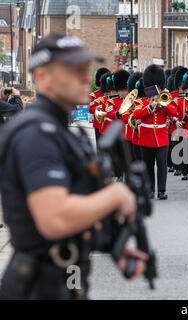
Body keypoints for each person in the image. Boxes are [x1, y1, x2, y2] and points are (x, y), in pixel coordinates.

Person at [0, 34, 147, 299]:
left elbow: (77, 201)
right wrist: (114, 194)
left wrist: (114, 244)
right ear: (43, 77)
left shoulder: (62, 132)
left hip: (68, 274)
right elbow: (55, 219)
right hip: (39, 285)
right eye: (72, 70)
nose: (84, 78)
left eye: (84, 69)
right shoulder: (36, 133)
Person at [133, 65, 178, 200]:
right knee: (148, 164)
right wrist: (150, 107)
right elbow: (136, 114)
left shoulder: (165, 98)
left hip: (162, 136)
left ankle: (162, 190)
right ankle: (150, 190)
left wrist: (162, 104)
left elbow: (174, 112)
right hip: (146, 136)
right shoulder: (141, 101)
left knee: (161, 163)